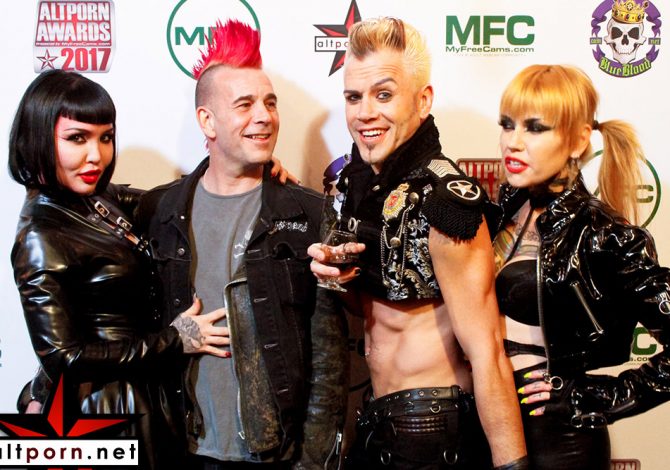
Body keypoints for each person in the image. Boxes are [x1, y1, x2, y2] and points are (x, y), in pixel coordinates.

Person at [308, 17, 527, 470]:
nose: (365, 113)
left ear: (423, 100)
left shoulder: (446, 202)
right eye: (353, 97)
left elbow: (487, 353)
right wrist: (341, 279)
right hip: (378, 422)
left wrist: (513, 466)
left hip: (434, 430)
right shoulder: (359, 186)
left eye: (384, 95)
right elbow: (379, 315)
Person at [135, 20, 348, 469]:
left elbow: (328, 359)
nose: (264, 116)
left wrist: (312, 461)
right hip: (181, 450)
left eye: (270, 103)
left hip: (277, 455)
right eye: (245, 104)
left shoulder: (309, 215)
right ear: (207, 121)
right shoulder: (159, 211)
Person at [8, 70, 229, 469]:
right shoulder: (40, 234)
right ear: (37, 138)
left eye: (105, 137)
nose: (97, 155)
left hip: (144, 396)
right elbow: (64, 357)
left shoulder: (95, 198)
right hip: (104, 412)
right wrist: (175, 340)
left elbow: (170, 200)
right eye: (77, 138)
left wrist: (245, 168)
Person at [490, 64, 670, 470]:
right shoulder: (503, 212)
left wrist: (595, 396)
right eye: (507, 124)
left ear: (577, 140)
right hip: (492, 426)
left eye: (535, 128)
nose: (513, 142)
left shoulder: (604, 233)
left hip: (559, 442)